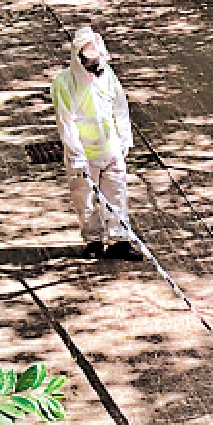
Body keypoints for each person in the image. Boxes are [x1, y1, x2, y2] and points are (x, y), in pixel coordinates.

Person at [51, 26, 141, 260]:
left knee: (117, 194)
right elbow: (66, 122)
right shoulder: (64, 84)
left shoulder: (108, 76)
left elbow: (120, 107)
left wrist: (124, 140)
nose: (97, 66)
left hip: (110, 149)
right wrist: (77, 155)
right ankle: (93, 240)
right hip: (84, 155)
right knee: (85, 198)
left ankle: (120, 241)